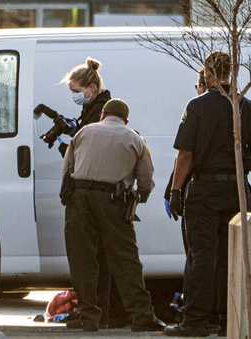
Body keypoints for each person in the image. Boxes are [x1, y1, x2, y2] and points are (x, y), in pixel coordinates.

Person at [164, 52, 251, 337]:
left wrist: (176, 190)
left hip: (204, 190)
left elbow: (185, 154)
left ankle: (196, 321)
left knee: (201, 256)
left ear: (208, 75)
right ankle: (228, 317)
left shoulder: (198, 106)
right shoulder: (245, 106)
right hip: (237, 190)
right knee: (232, 257)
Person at [62, 98, 165, 332]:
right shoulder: (134, 139)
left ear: (102, 114)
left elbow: (68, 167)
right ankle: (141, 316)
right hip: (113, 201)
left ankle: (89, 317)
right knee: (125, 259)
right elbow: (146, 180)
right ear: (126, 119)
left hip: (79, 199)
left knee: (82, 259)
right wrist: (140, 197)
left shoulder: (83, 133)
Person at [57, 57, 127, 328]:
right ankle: (101, 313)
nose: (74, 96)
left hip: (91, 194)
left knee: (90, 257)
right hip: (102, 194)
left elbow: (89, 155)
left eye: (76, 91)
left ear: (91, 88)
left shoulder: (101, 111)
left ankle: (96, 314)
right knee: (101, 257)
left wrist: (69, 147)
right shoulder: (97, 108)